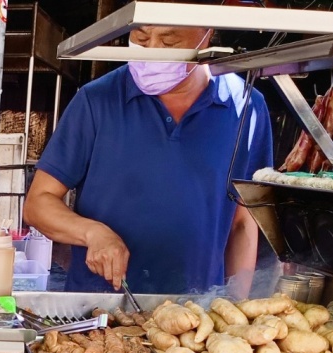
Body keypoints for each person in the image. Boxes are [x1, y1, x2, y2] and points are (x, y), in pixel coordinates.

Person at [23, 11, 274, 298]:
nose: (152, 50)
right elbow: (38, 204)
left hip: (196, 315)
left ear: (207, 33)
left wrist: (235, 307)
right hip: (100, 308)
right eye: (141, 38)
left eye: (168, 41)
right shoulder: (97, 100)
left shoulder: (246, 107)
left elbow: (243, 222)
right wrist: (91, 232)